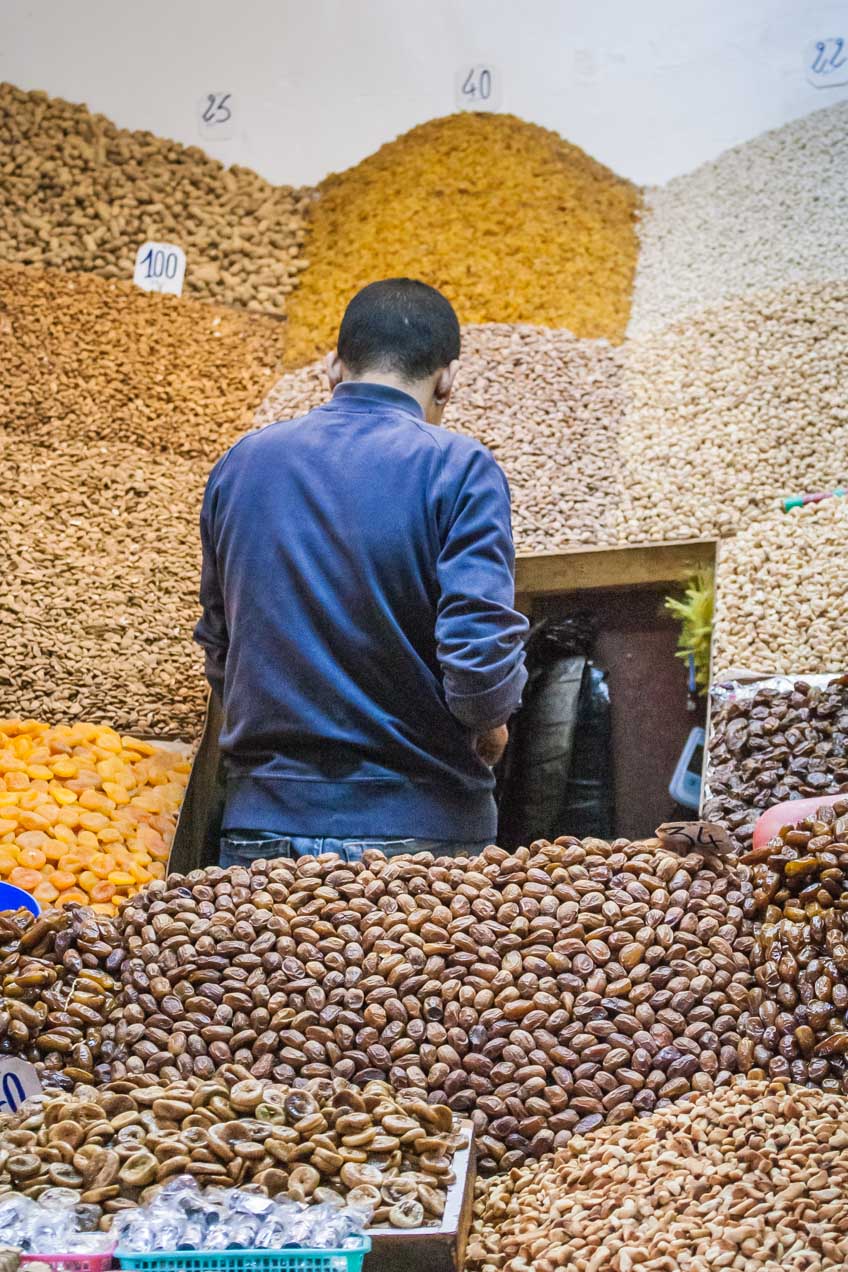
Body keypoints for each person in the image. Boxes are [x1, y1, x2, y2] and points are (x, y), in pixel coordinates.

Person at [194, 277, 528, 867]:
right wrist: (490, 722)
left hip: (261, 828)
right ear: (448, 377)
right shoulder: (459, 467)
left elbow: (221, 644)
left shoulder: (242, 462)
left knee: (263, 966)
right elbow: (478, 659)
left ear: (332, 366)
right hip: (422, 833)